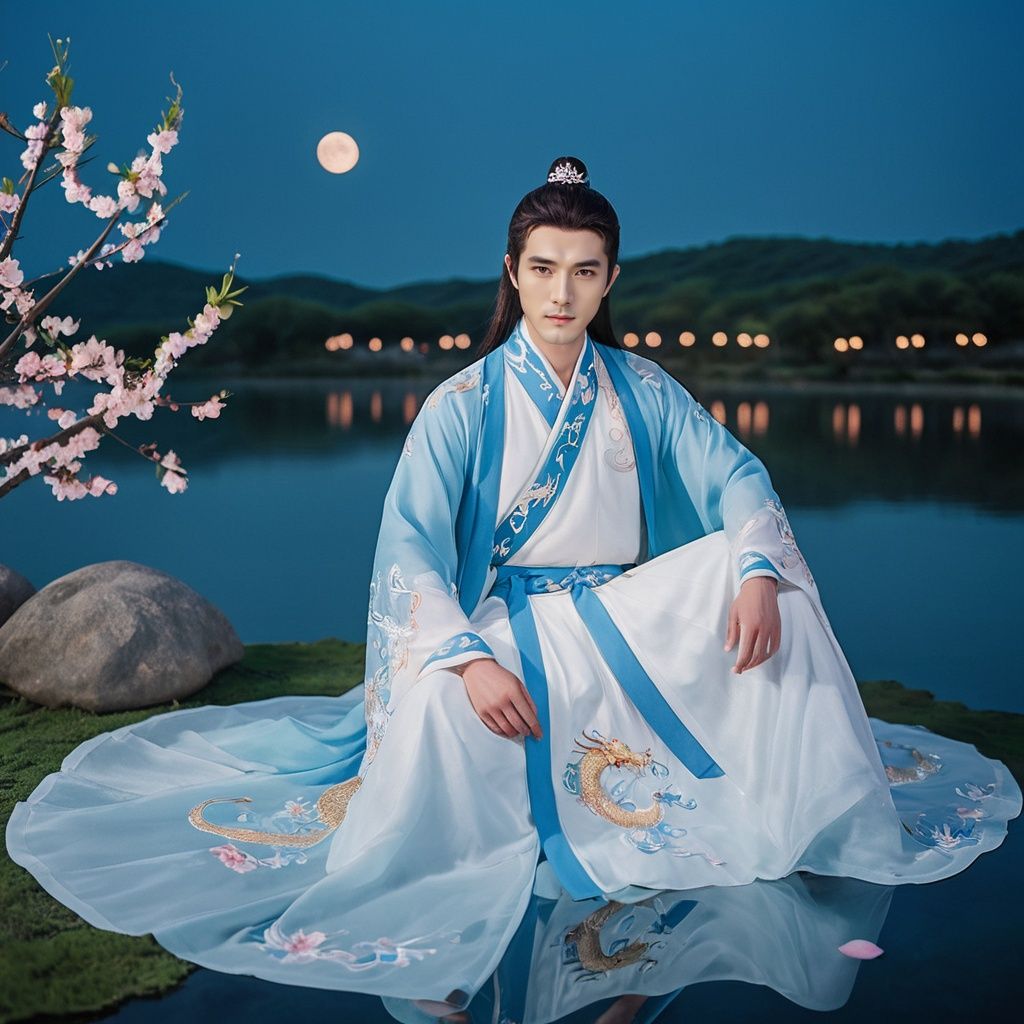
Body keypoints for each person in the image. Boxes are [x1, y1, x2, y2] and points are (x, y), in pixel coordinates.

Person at [6, 156, 1021, 1017]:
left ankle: (798, 807)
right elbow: (408, 551)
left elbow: (737, 478)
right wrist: (461, 652)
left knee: (765, 579)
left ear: (610, 275)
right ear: (512, 270)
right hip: (505, 616)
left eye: (584, 271)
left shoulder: (645, 390)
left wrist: (754, 568)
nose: (563, 292)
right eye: (543, 268)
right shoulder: (463, 403)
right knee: (459, 717)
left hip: (623, 610)